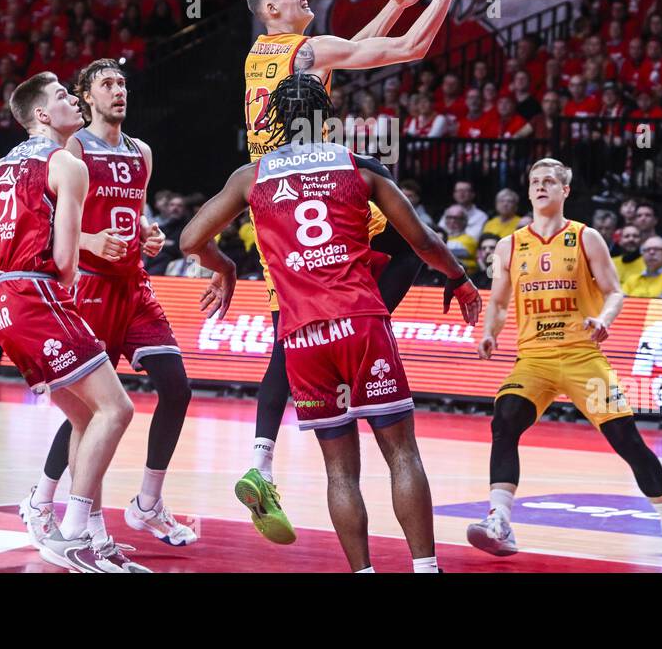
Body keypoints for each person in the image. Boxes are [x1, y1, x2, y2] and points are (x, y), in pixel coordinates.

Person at [179, 72, 481, 573]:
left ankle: (362, 571)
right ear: (329, 117)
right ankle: (425, 568)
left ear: (274, 121)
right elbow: (422, 242)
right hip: (361, 322)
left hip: (302, 336)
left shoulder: (250, 177)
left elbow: (190, 240)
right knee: (401, 452)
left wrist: (226, 267)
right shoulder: (360, 166)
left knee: (340, 469)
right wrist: (462, 279)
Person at [233, 0, 476, 543]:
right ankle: (361, 332)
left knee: (294, 324)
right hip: (317, 180)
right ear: (271, 9)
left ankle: (261, 462)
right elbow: (410, 49)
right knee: (413, 236)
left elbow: (345, 51)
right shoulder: (308, 51)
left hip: (272, 196)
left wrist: (395, 3)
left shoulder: (262, 56)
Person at [0, 72, 144, 573]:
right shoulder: (66, 163)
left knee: (87, 416)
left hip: (3, 302)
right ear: (42, 114)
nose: (73, 102)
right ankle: (75, 533)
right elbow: (65, 259)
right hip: (38, 298)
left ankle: (80, 530)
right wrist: (45, 280)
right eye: (63, 96)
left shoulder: (0, 166)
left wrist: (8, 267)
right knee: (117, 410)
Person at [469, 158, 662, 559]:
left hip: (581, 355)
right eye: (535, 181)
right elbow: (500, 301)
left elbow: (615, 292)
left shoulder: (585, 237)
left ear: (565, 191)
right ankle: (499, 520)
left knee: (626, 440)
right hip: (533, 358)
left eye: (550, 181)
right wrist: (489, 332)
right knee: (504, 420)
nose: (541, 187)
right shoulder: (510, 244)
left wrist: (604, 320)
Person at [19, 59, 196, 552]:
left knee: (177, 389)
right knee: (86, 413)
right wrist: (92, 240)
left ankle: (147, 503)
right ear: (86, 96)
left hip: (134, 288)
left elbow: (132, 208)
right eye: (106, 85)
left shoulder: (142, 151)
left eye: (122, 83)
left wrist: (148, 231)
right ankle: (45, 498)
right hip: (90, 287)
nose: (118, 91)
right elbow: (56, 215)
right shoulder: (73, 146)